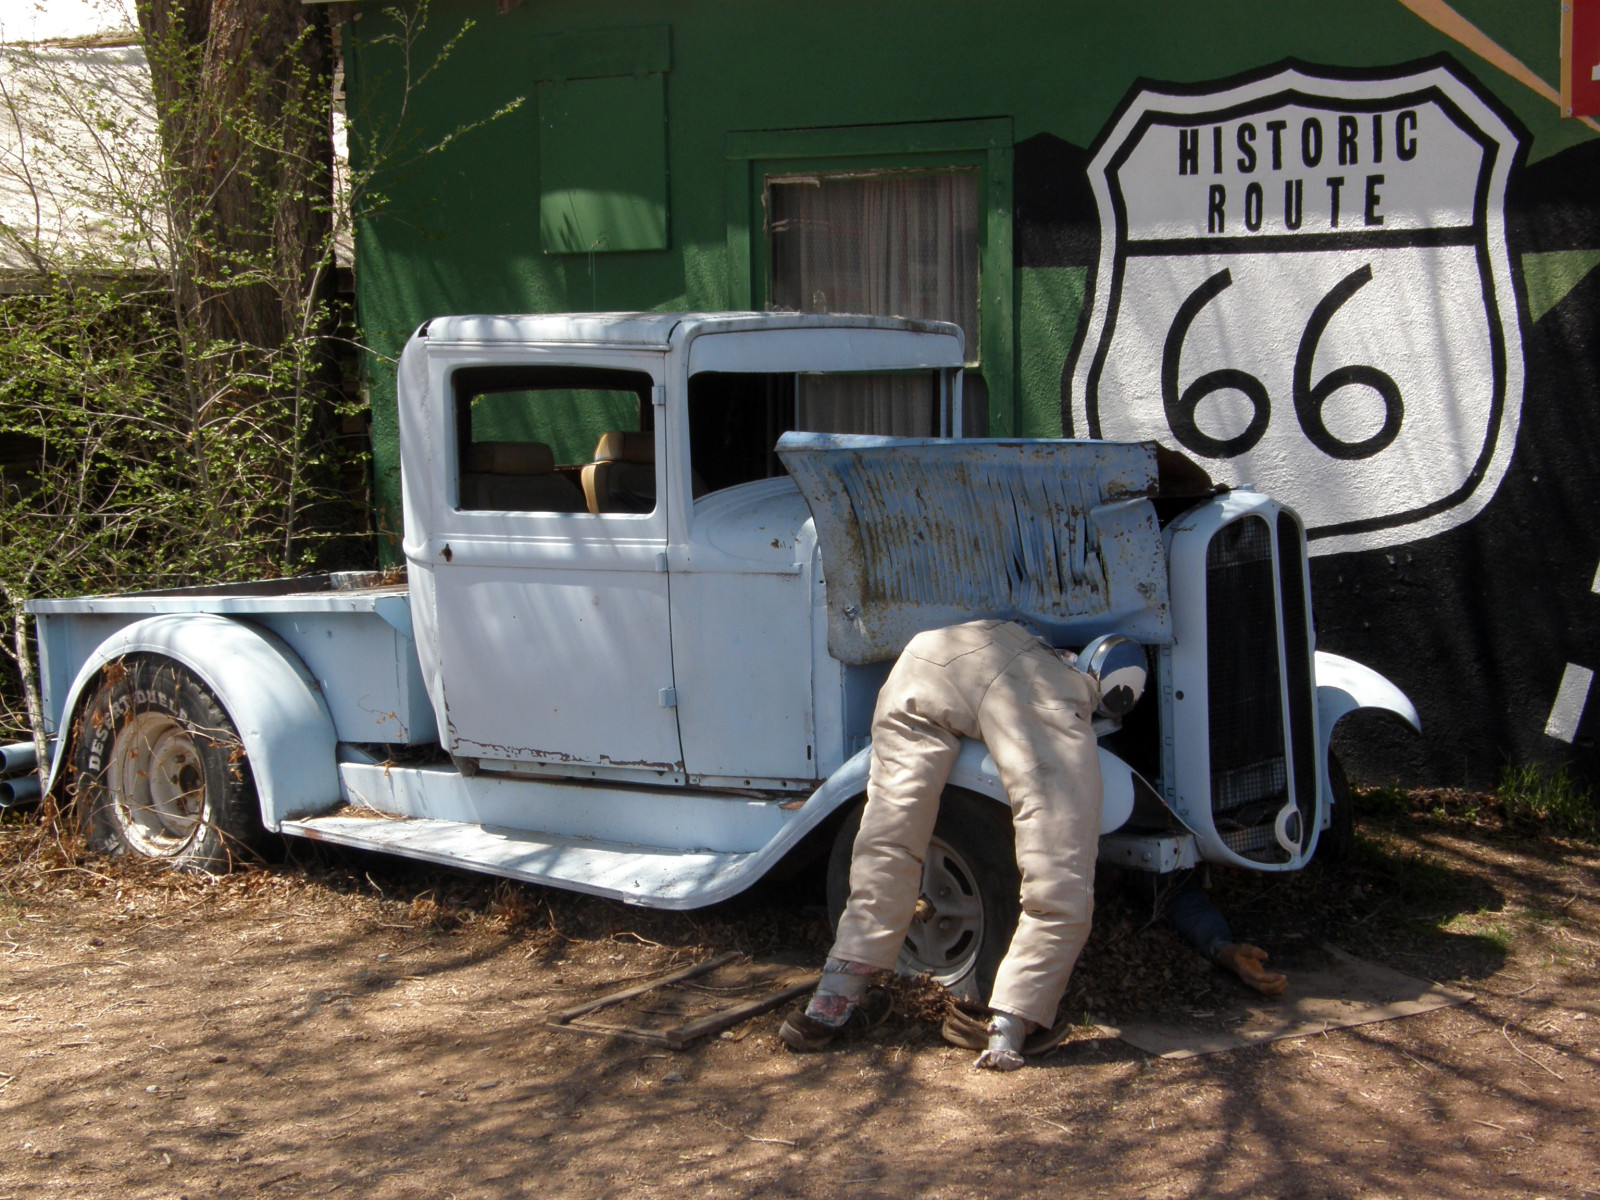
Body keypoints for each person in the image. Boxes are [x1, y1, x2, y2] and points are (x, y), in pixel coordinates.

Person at [779, 619, 1103, 1071]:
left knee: (888, 833)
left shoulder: (998, 633)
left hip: (927, 659)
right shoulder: (1067, 677)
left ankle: (831, 1003)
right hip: (1030, 685)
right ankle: (1010, 1024)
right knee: (1058, 852)